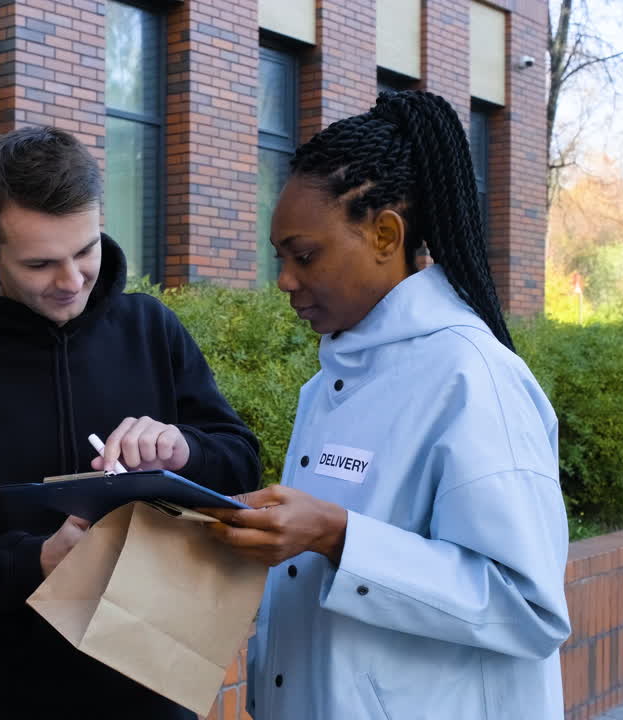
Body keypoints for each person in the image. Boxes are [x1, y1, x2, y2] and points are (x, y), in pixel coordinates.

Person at [202, 90, 571, 720]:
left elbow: (528, 608)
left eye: (306, 255)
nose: (286, 279)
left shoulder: (473, 378)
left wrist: (337, 536)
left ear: (384, 234)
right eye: (281, 259)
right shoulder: (327, 387)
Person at [0, 126, 260, 720]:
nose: (73, 280)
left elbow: (241, 458)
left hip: (159, 687)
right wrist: (37, 562)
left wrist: (182, 449)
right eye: (41, 263)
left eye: (85, 250)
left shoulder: (152, 330)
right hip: (10, 699)